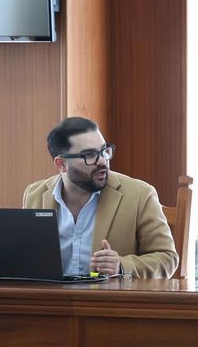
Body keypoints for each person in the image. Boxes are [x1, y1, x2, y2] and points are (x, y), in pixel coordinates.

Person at [23, 117, 178, 278]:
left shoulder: (140, 194)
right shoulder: (34, 194)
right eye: (89, 155)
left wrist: (121, 266)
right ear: (61, 164)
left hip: (108, 301)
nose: (103, 160)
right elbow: (25, 257)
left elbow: (167, 258)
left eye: (104, 150)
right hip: (49, 299)